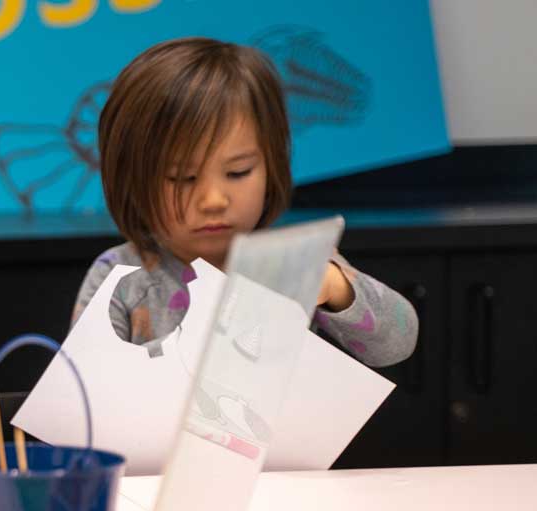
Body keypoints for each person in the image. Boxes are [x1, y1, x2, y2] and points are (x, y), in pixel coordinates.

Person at [74, 37, 417, 368]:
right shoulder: (117, 276)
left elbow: (397, 344)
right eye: (183, 178)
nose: (213, 200)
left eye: (238, 172)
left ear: (272, 165)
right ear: (131, 179)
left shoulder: (293, 262)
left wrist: (333, 285)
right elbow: (81, 399)